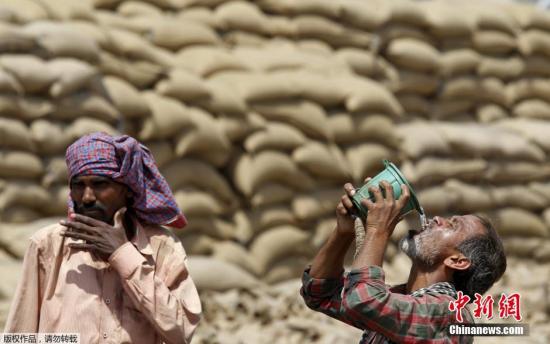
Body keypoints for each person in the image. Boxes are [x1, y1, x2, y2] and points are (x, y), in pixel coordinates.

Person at [4, 132, 201, 344]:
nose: (87, 197)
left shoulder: (161, 247)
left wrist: (123, 255)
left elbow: (181, 331)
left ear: (126, 189)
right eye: (79, 185)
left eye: (99, 184)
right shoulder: (48, 245)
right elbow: (19, 337)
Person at [301, 180, 507, 343]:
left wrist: (377, 230)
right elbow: (320, 293)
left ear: (458, 261)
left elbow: (364, 301)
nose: (437, 219)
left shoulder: (451, 315)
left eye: (452, 226)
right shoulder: (399, 299)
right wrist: (343, 233)